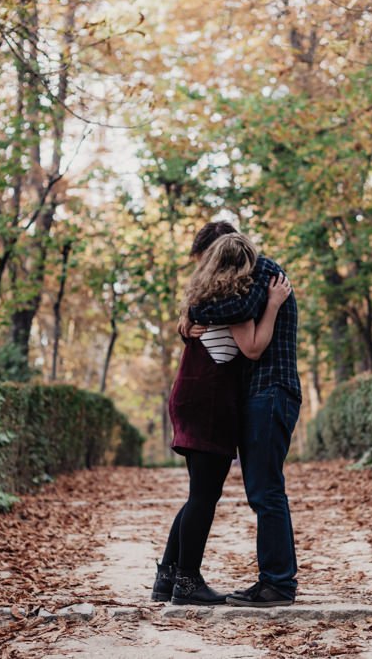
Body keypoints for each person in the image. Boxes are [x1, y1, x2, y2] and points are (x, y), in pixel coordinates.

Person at [152, 232, 293, 606]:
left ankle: (170, 576)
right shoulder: (233, 300)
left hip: (195, 396)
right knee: (203, 495)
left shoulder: (209, 297)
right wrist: (274, 304)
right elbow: (253, 348)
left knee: (200, 493)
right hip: (208, 401)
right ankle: (187, 581)